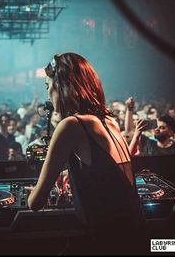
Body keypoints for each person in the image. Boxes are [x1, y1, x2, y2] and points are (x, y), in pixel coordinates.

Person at [27, 53, 145, 254]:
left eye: (48, 86)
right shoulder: (110, 121)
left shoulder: (72, 125)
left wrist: (32, 190)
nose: (48, 93)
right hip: (137, 234)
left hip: (110, 242)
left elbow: (35, 203)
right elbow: (109, 173)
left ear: (63, 84)